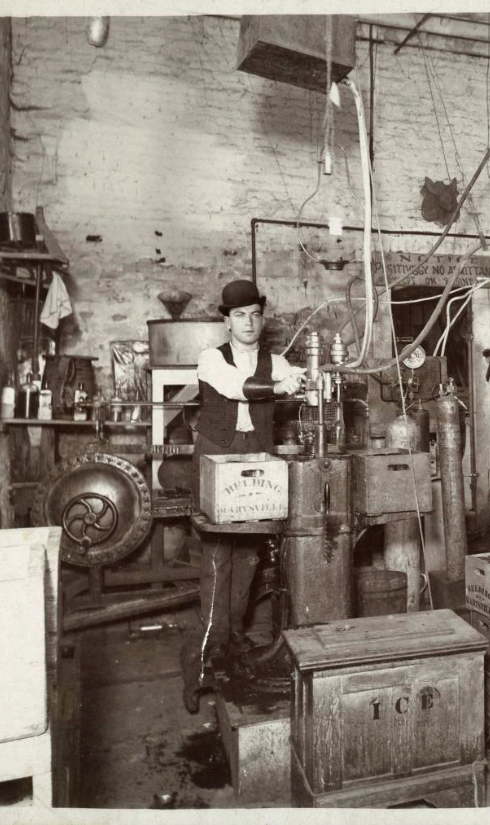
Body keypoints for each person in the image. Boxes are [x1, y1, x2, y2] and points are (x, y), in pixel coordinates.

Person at [180, 279, 305, 713]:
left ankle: (231, 656)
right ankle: (198, 672)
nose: (248, 323)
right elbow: (237, 388)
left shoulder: (277, 360)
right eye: (239, 315)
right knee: (218, 565)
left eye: (254, 314)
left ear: (262, 316)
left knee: (249, 560)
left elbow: (298, 380)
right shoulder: (212, 358)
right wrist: (282, 386)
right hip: (218, 457)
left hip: (258, 457)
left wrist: (308, 379)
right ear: (226, 319)